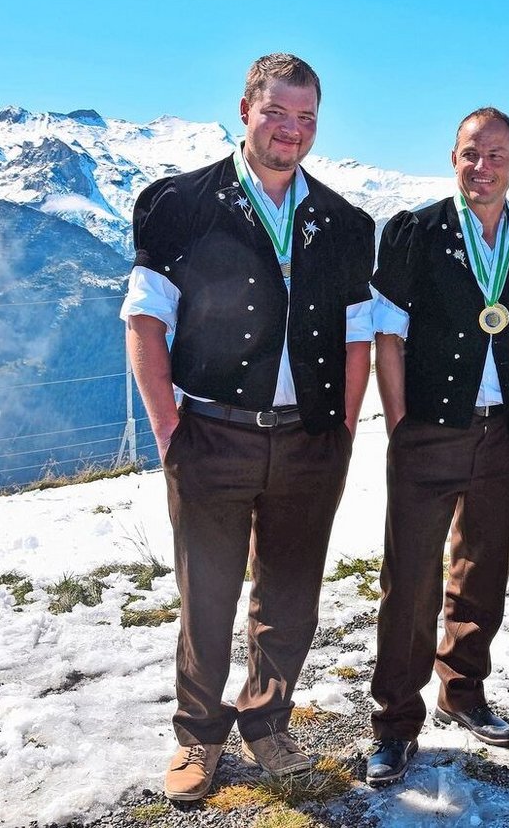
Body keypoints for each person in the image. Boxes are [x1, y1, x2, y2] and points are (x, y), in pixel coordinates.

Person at [120, 53, 375, 802]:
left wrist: (343, 428)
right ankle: (198, 738)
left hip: (309, 437)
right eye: (277, 113)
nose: (291, 130)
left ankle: (268, 724)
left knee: (291, 592)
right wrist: (169, 430)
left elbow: (359, 336)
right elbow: (144, 321)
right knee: (208, 594)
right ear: (245, 109)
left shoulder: (346, 222)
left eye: (306, 118)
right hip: (212, 433)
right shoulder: (180, 203)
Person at [365, 108, 509, 786]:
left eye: (496, 155)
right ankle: (395, 722)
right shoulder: (414, 231)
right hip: (430, 427)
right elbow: (387, 335)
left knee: (484, 568)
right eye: (470, 155)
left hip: (508, 429)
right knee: (412, 579)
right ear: (453, 157)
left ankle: (464, 689)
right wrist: (399, 425)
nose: (482, 168)